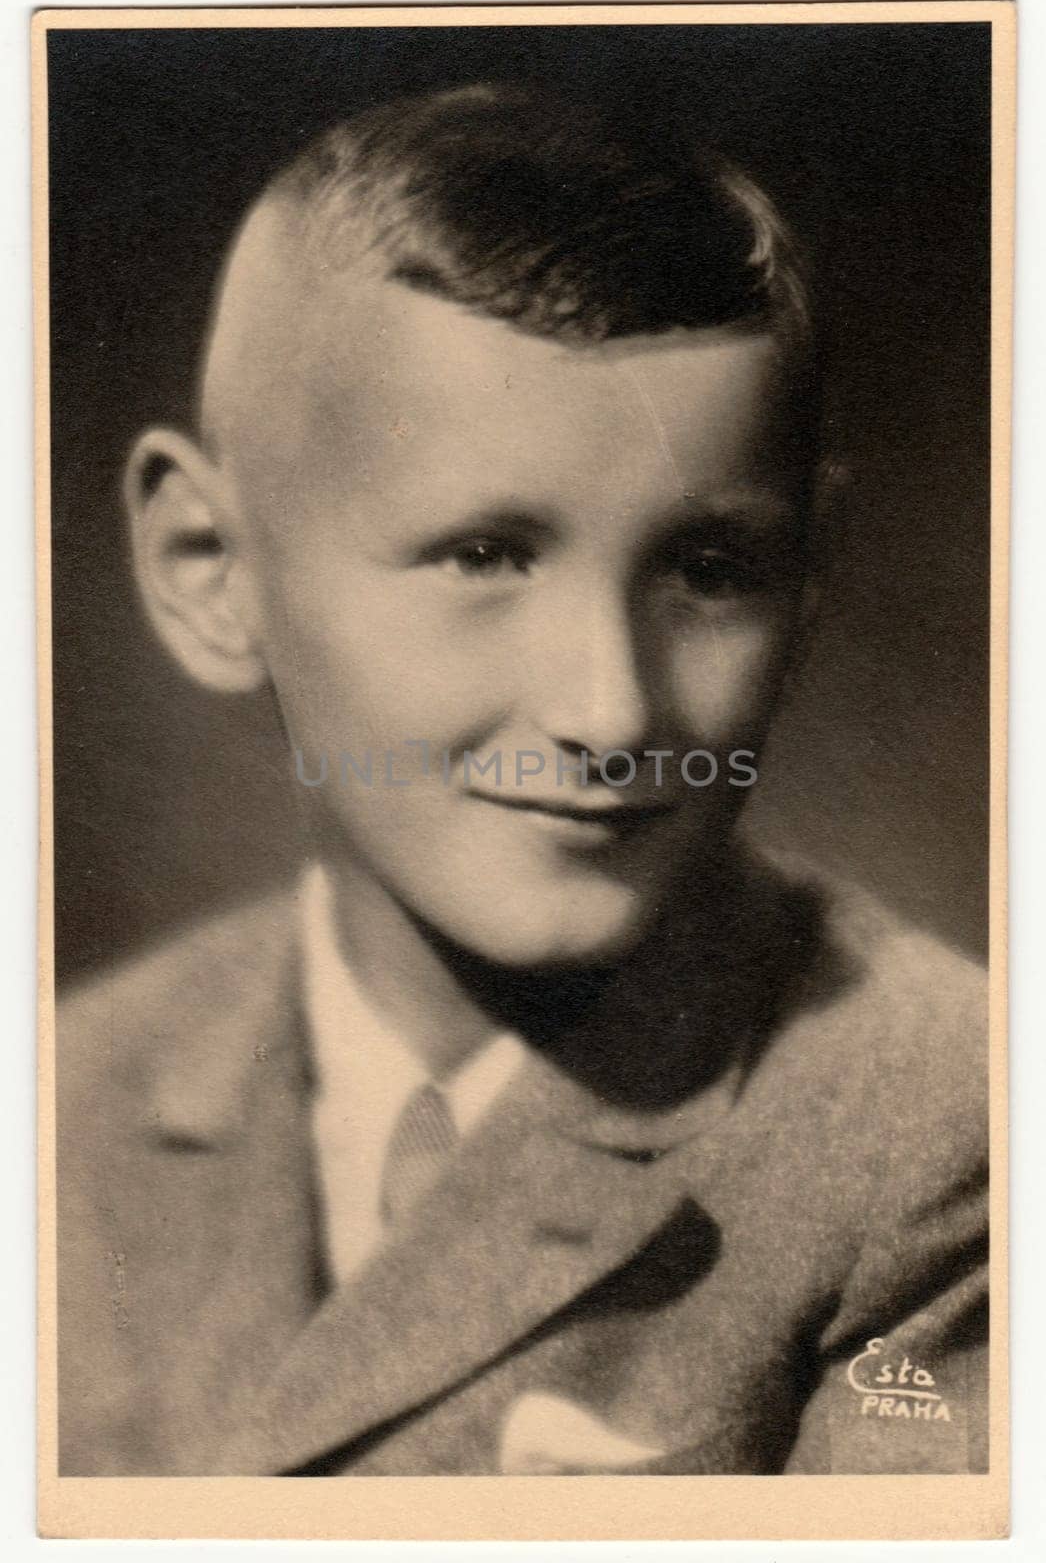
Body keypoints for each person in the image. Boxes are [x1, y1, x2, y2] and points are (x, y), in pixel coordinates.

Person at [56, 83, 988, 1477]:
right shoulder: (66, 1100)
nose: (608, 710)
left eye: (710, 569)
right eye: (484, 556)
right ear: (210, 570)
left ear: (809, 579)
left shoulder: (948, 1134)